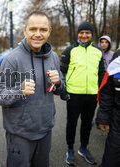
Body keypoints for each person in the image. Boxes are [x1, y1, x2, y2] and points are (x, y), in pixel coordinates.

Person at [0, 11, 66, 167]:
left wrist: (59, 83)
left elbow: (62, 89)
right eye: (33, 29)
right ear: (25, 30)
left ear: (49, 31)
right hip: (21, 134)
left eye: (43, 30)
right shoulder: (12, 60)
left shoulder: (53, 57)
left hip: (45, 130)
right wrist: (19, 91)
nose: (38, 34)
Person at [60, 21, 105, 166]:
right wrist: (63, 90)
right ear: (77, 33)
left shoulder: (98, 51)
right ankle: (70, 149)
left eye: (87, 33)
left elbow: (101, 73)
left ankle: (83, 148)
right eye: (81, 32)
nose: (84, 35)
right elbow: (62, 72)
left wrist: (99, 90)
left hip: (91, 94)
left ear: (92, 35)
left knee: (87, 123)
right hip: (73, 94)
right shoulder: (69, 50)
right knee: (71, 123)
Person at [95, 51, 120, 167]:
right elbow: (107, 93)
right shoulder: (117, 57)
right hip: (117, 120)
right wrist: (103, 118)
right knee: (112, 158)